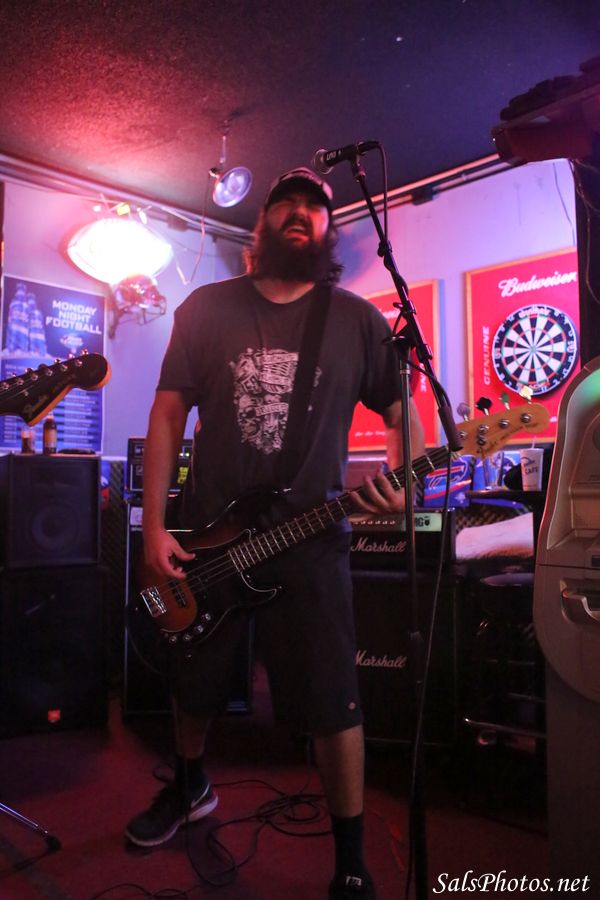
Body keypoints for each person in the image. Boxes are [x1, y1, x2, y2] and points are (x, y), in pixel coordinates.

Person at [126, 167, 425, 899]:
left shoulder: (354, 319)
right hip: (211, 537)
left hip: (312, 543)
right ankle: (190, 785)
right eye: (286, 201)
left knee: (334, 697)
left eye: (316, 206)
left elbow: (400, 411)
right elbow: (168, 414)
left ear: (329, 230)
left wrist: (402, 482)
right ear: (260, 224)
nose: (301, 211)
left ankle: (350, 859)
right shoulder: (207, 308)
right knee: (195, 676)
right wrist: (155, 526)